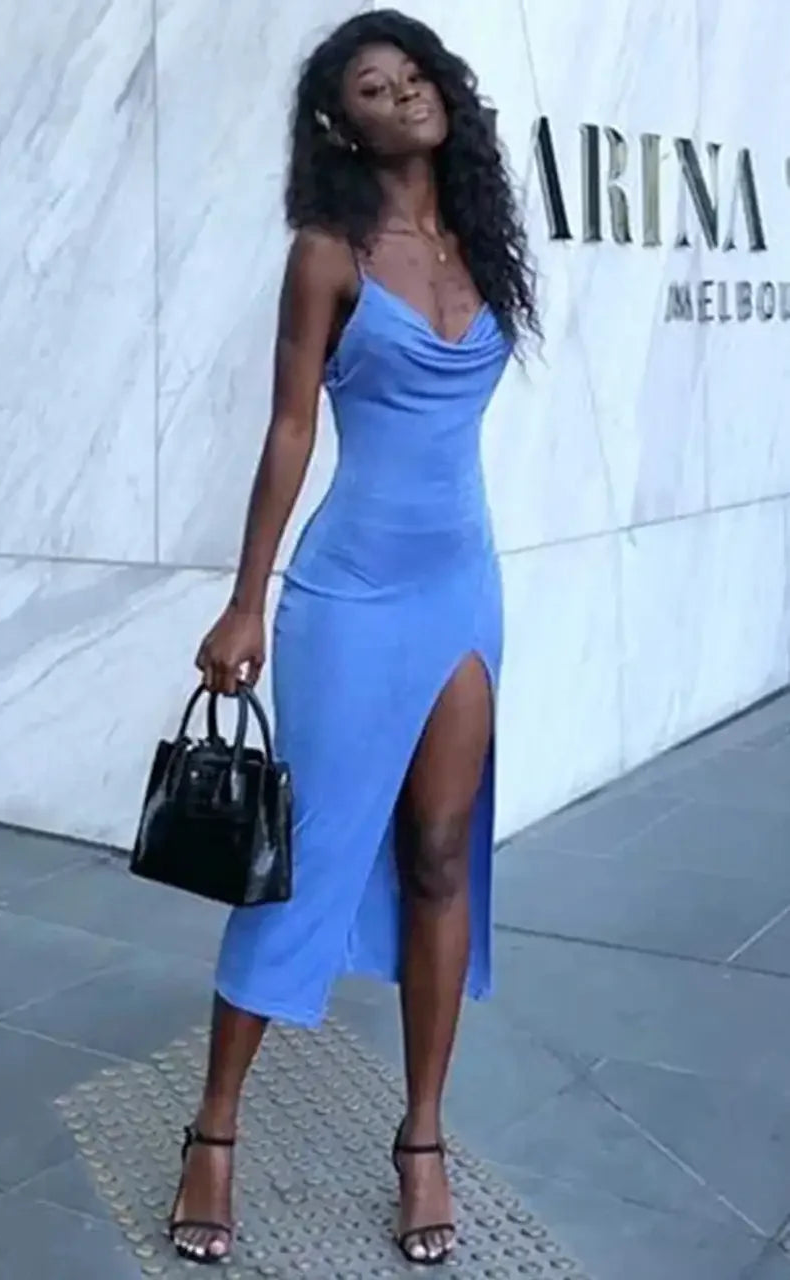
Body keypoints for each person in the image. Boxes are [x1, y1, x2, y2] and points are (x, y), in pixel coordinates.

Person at [168, 7, 539, 1267]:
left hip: (460, 593)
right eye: (374, 87)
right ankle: (214, 1129)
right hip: (349, 596)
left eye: (415, 73)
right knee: (309, 861)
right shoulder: (327, 250)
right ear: (341, 121)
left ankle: (421, 1135)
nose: (406, 93)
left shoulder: (485, 239)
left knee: (441, 854)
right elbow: (288, 430)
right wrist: (245, 599)